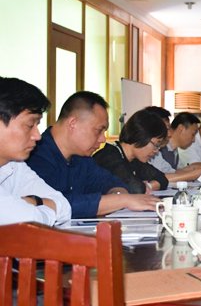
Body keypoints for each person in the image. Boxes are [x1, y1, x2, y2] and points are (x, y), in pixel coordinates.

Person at [28, 91, 159, 218]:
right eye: (98, 130)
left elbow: (111, 182)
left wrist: (118, 195)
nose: (103, 139)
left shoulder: (81, 157)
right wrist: (121, 200)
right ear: (73, 124)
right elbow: (53, 203)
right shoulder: (34, 156)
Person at [0, 77, 70, 226]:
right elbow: (28, 220)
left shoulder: (14, 165)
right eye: (30, 125)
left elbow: (64, 207)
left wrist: (32, 201)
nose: (37, 136)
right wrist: (35, 209)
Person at [93, 108, 169, 193]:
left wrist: (149, 186)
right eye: (156, 145)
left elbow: (163, 179)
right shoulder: (109, 157)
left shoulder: (134, 159)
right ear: (142, 136)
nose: (156, 151)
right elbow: (135, 188)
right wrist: (143, 186)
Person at [148, 111, 201, 182]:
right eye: (193, 134)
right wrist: (194, 174)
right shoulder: (159, 150)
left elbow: (174, 172)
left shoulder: (174, 152)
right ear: (181, 128)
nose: (169, 133)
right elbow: (161, 178)